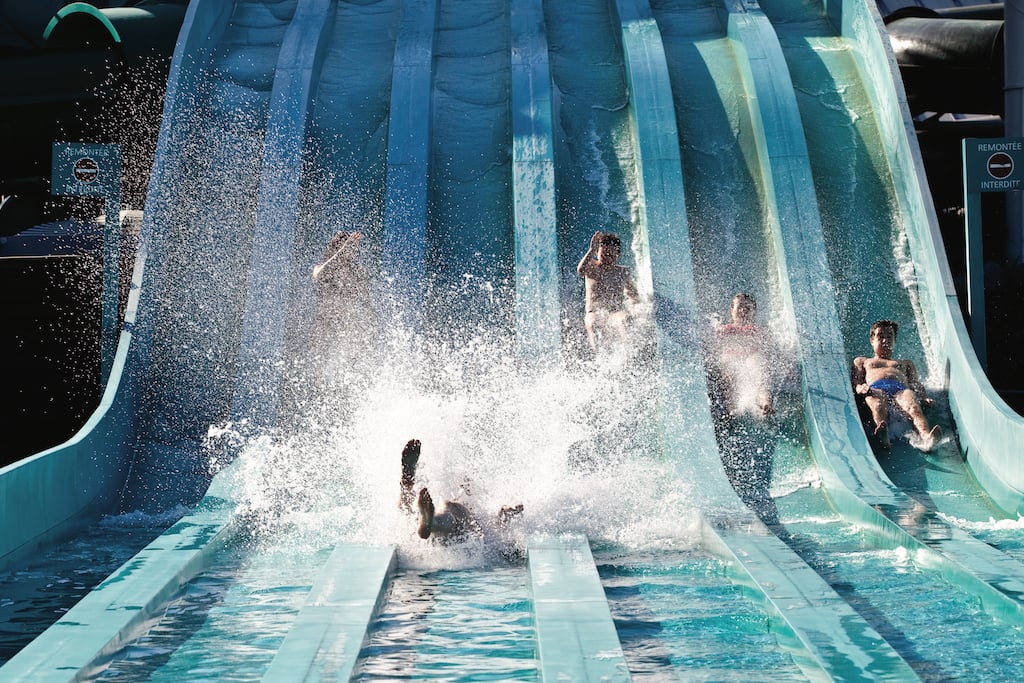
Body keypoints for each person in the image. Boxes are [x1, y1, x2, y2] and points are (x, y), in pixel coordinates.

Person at [398, 439, 523, 543]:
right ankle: (428, 522)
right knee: (446, 508)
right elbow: (500, 525)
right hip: (460, 534)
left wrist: (507, 510)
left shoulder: (466, 507)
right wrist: (508, 510)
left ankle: (407, 483)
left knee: (409, 511)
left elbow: (500, 518)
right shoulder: (473, 511)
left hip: (438, 528)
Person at [851, 319, 941, 449]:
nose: (885, 340)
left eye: (889, 337)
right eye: (880, 336)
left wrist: (924, 396)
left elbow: (915, 384)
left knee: (913, 407)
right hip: (876, 388)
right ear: (872, 340)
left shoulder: (906, 363)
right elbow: (857, 381)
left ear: (895, 341)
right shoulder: (863, 361)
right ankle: (883, 435)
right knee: (877, 404)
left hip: (901, 390)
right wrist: (860, 388)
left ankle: (926, 436)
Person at [310, 230, 378, 359]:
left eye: (353, 248)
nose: (351, 252)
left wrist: (368, 327)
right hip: (325, 325)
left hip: (347, 326)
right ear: (336, 249)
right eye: (349, 247)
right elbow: (318, 275)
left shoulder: (357, 273)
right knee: (319, 365)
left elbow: (366, 303)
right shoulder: (323, 269)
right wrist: (342, 251)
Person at [712, 293, 776, 417]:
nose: (743, 311)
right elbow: (714, 348)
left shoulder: (759, 331)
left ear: (754, 312)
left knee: (760, 372)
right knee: (730, 373)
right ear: (732, 311)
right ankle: (731, 409)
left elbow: (768, 350)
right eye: (740, 307)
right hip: (731, 358)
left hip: (752, 358)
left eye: (748, 308)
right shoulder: (724, 330)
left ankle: (765, 403)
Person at [577, 231, 640, 354]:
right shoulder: (591, 268)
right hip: (595, 313)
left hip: (614, 313)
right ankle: (599, 359)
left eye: (611, 254)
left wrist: (637, 308)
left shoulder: (623, 272)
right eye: (604, 254)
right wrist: (590, 250)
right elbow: (580, 270)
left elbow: (633, 295)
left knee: (625, 319)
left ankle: (628, 357)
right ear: (597, 253)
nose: (607, 258)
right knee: (593, 323)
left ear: (618, 254)